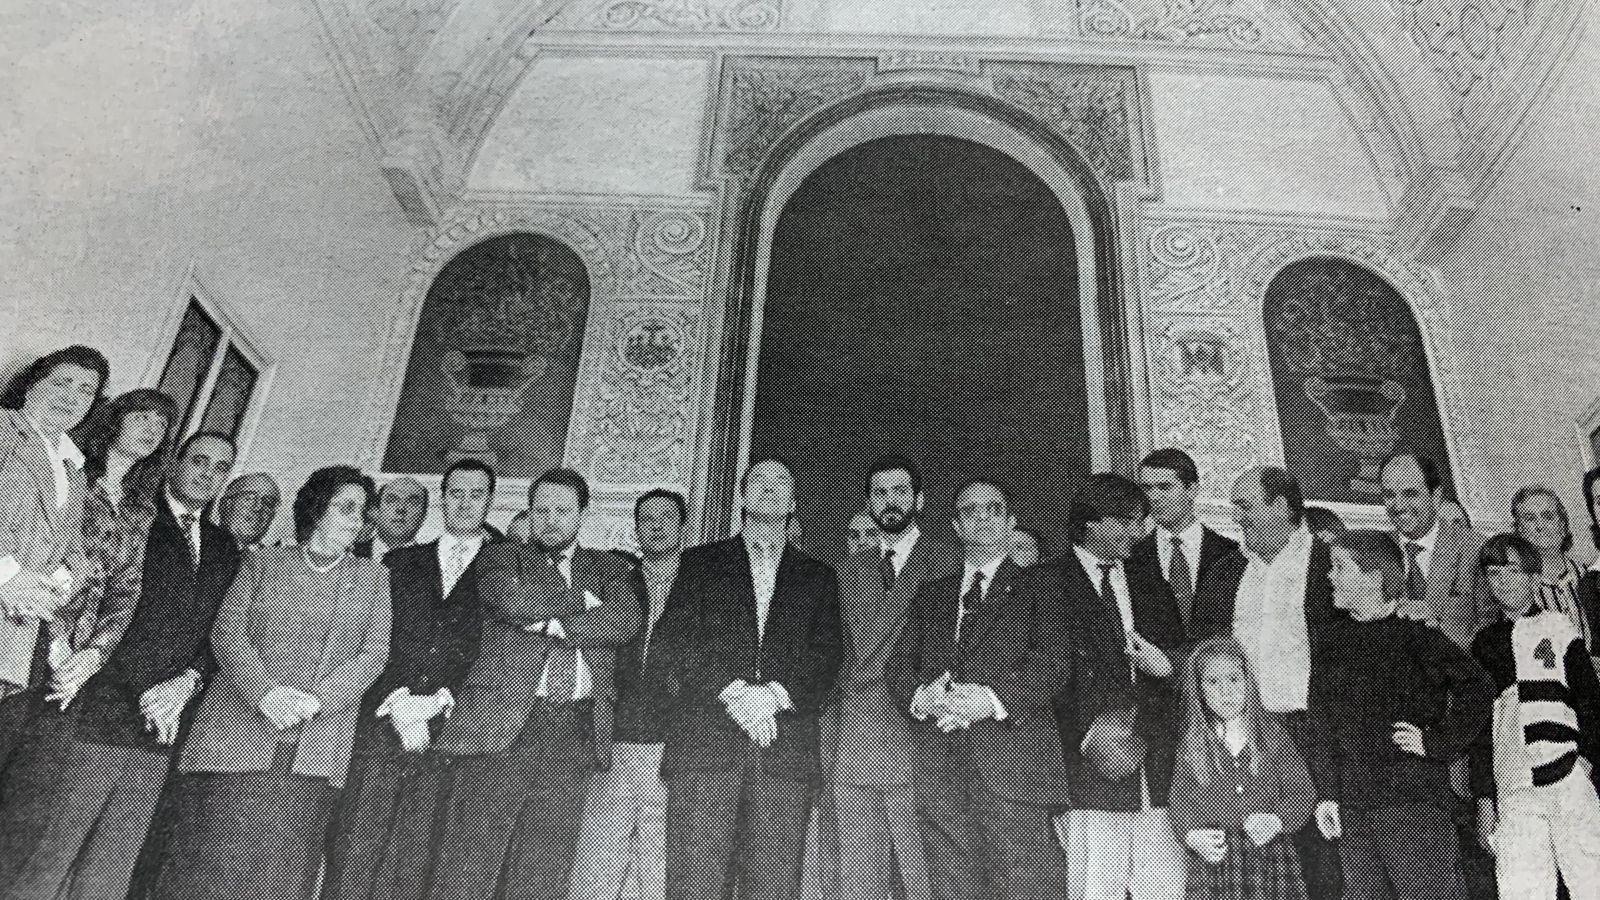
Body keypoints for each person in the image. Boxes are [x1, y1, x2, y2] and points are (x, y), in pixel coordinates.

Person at [148, 466, 390, 900]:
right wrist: (266, 694)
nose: (357, 520)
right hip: (235, 737)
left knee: (279, 877)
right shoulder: (262, 563)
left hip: (314, 747)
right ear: (316, 510)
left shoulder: (374, 578)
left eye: (363, 511)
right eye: (346, 508)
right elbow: (227, 632)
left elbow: (373, 654)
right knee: (203, 869)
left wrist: (317, 701)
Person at [430, 468, 638, 900]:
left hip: (575, 729)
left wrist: (551, 623)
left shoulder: (611, 567)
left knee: (543, 868)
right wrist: (584, 603)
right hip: (501, 724)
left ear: (582, 514)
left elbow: (624, 620)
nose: (550, 520)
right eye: (541, 510)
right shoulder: (500, 558)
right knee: (470, 861)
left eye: (562, 511)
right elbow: (513, 601)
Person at [649, 457, 842, 900]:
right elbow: (672, 643)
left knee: (773, 888)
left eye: (781, 481)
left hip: (784, 756)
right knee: (695, 886)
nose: (769, 486)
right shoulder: (700, 563)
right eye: (759, 480)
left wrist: (773, 696)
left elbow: (828, 657)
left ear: (793, 503)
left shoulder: (818, 576)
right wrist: (734, 693)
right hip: (705, 751)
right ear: (742, 496)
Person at [887, 479, 1074, 900]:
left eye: (993, 510)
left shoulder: (1041, 588)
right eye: (970, 511)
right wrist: (922, 697)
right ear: (956, 526)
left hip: (1014, 766)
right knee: (951, 888)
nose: (983, 518)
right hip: (941, 766)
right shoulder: (933, 594)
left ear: (1010, 523)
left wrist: (990, 700)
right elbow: (898, 667)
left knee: (1023, 887)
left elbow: (1054, 664)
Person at [323, 459, 496, 900]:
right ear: (442, 500)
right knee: (355, 850)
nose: (464, 503)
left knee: (415, 860)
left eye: (476, 495)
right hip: (382, 722)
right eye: (455, 494)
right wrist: (398, 702)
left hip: (450, 732)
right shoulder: (398, 563)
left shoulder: (504, 570)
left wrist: (438, 700)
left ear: (489, 502)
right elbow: (371, 638)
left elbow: (496, 653)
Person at [1308, 530, 1492, 900]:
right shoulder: (1329, 642)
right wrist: (1327, 795)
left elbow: (1479, 688)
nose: (1330, 576)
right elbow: (1321, 723)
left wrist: (1435, 742)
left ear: (1373, 577)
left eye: (1339, 567)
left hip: (1413, 801)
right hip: (1354, 806)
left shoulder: (1417, 637)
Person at [821, 454, 959, 900]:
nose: (890, 501)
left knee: (926, 873)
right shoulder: (848, 569)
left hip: (921, 729)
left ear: (919, 500)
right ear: (868, 502)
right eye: (879, 493)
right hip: (857, 732)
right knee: (860, 874)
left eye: (900, 491)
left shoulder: (949, 560)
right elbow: (837, 652)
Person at [1049, 473, 1186, 900]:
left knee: (1164, 887)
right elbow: (1039, 675)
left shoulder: (1150, 581)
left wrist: (1166, 665)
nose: (1138, 531)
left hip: (1156, 763)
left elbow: (1184, 656)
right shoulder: (1045, 583)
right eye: (1127, 521)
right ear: (1092, 524)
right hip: (1087, 765)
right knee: (1097, 888)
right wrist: (1089, 734)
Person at [1213, 466, 1339, 900]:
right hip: (1248, 737)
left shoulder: (1329, 565)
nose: (1237, 518)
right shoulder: (1227, 572)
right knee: (1260, 869)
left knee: (1324, 862)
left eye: (1245, 506)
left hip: (1314, 733)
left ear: (1281, 507)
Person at [567, 488, 690, 900]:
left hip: (673, 740)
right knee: (597, 865)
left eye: (666, 518)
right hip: (615, 737)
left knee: (659, 869)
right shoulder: (616, 581)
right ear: (635, 528)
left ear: (683, 526)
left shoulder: (699, 584)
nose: (656, 526)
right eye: (647, 519)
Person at [1469, 533, 1600, 900]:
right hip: (1514, 784)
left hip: (1568, 774)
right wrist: (1485, 799)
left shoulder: (1558, 627)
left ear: (1533, 577)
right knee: (1522, 885)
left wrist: (1585, 762)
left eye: (1512, 571)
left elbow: (1591, 703)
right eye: (1494, 574)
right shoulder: (1484, 644)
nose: (1503, 581)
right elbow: (1482, 729)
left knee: (1591, 876)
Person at [0, 346, 108, 768]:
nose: (72, 397)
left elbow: (72, 549)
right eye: (62, 382)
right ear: (31, 384)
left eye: (86, 391)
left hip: (20, 638)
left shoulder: (73, 468)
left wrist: (62, 581)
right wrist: (7, 575)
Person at [1169, 635, 1316, 900]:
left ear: (1248, 681)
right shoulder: (1193, 745)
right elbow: (1179, 802)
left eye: (1234, 679)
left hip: (1270, 858)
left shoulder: (1272, 736)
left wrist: (1277, 820)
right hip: (1216, 864)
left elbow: (1302, 792)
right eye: (1213, 682)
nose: (1226, 691)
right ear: (1199, 690)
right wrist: (1192, 836)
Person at [1380, 453, 1485, 649]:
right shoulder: (1376, 549)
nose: (1398, 506)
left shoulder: (1474, 547)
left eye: (1410, 494)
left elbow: (1490, 632)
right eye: (1389, 495)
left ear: (1435, 497)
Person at [1134, 448, 1244, 636]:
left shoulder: (1232, 553)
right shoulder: (1132, 558)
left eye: (1164, 487)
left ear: (1192, 490)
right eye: (1147, 489)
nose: (1154, 497)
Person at [1512, 485, 1591, 645]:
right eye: (1529, 518)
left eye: (1548, 516)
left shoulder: (1588, 577)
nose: (1540, 526)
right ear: (1519, 530)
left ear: (1562, 525)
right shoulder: (1515, 589)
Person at [355, 476, 427, 560]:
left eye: (412, 502)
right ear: (377, 511)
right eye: (391, 500)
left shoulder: (432, 562)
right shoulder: (350, 553)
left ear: (423, 515)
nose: (401, 508)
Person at [215, 472, 281, 550]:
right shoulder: (204, 545)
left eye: (268, 502)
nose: (258, 507)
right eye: (248, 499)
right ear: (225, 504)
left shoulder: (271, 555)